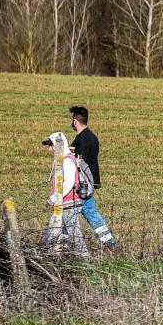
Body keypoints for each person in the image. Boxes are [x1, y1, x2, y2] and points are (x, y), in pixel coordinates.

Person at [68, 105, 118, 251]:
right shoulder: (93, 137)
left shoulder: (80, 140)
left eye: (72, 119)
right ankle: (108, 242)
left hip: (82, 184)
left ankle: (109, 243)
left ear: (75, 120)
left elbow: (77, 163)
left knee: (77, 212)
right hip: (90, 182)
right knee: (81, 211)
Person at [40, 132, 88, 256]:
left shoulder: (67, 161)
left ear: (58, 145)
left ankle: (87, 262)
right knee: (59, 235)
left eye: (51, 145)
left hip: (68, 204)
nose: (49, 149)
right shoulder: (63, 160)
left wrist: (52, 199)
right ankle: (51, 257)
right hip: (64, 204)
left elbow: (68, 183)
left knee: (74, 238)